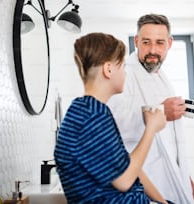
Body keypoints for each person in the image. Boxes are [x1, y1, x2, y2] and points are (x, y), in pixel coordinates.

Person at [54, 32, 169, 203]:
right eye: (122, 66)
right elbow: (124, 180)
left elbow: (128, 166)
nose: (125, 73)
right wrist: (151, 128)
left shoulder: (87, 110)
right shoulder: (92, 116)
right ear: (108, 70)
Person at [108, 14, 194, 204]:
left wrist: (185, 178)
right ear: (136, 41)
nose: (152, 50)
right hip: (145, 188)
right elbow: (113, 124)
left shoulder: (161, 77)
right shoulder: (123, 73)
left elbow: (171, 142)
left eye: (159, 43)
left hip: (172, 185)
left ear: (169, 43)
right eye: (146, 42)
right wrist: (160, 112)